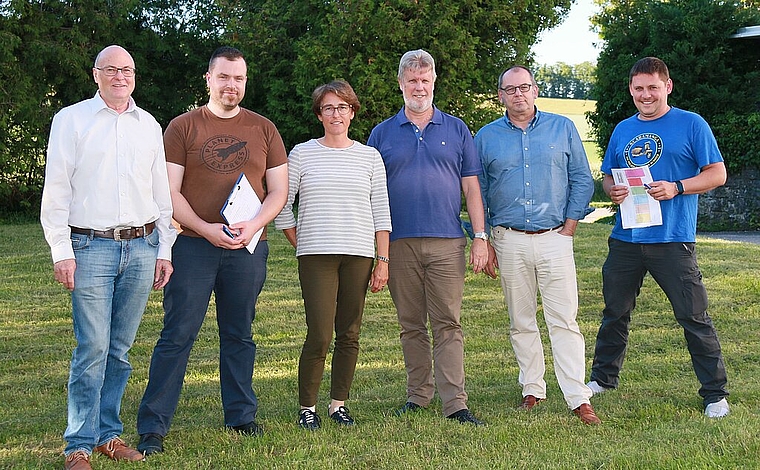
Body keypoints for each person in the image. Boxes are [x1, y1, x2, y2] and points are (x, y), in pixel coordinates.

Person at [135, 46, 288, 455]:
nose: (231, 85)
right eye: (224, 77)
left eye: (238, 78)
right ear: (209, 79)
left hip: (248, 247)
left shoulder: (264, 129)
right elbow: (168, 193)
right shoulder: (183, 127)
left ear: (245, 81)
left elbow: (279, 190)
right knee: (177, 334)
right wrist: (204, 228)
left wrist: (253, 225)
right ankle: (153, 426)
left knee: (239, 333)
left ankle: (241, 416)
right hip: (192, 247)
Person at [40, 45, 177, 470]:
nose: (121, 76)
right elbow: (57, 190)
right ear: (95, 74)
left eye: (128, 70)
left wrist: (165, 248)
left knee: (119, 349)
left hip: (142, 246)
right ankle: (77, 445)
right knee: (93, 345)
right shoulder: (71, 120)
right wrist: (61, 250)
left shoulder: (148, 125)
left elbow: (161, 194)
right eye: (112, 70)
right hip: (90, 247)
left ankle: (108, 435)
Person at [587, 57, 730, 418]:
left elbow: (717, 174)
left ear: (667, 86)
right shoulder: (623, 129)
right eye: (638, 88)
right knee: (614, 313)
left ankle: (715, 395)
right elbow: (608, 177)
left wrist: (678, 187)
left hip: (673, 240)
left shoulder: (691, 124)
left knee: (693, 316)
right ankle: (603, 379)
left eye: (652, 87)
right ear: (631, 90)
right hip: (626, 239)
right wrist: (613, 190)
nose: (645, 95)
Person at [367, 49, 488, 426]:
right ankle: (418, 396)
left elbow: (471, 188)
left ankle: (456, 404)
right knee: (411, 324)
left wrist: (480, 235)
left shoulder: (456, 129)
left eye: (425, 80)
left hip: (447, 241)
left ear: (434, 82)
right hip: (399, 242)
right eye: (411, 81)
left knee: (448, 322)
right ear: (401, 84)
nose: (419, 87)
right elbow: (370, 191)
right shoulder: (381, 134)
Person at [475, 65, 600, 425]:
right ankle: (533, 388)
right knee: (521, 320)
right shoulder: (486, 137)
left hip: (555, 237)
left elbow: (581, 178)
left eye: (524, 87)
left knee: (564, 319)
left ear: (535, 90)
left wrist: (571, 226)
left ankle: (578, 397)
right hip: (508, 238)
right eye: (510, 89)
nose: (518, 94)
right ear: (500, 95)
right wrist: (483, 237)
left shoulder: (562, 128)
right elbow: (477, 191)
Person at [274, 80, 392, 430]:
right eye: (328, 107)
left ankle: (338, 403)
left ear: (352, 112)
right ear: (319, 114)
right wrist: (304, 242)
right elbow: (282, 206)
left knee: (350, 333)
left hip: (358, 255)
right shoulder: (302, 153)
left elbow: (381, 211)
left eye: (342, 107)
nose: (336, 114)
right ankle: (306, 406)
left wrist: (382, 260)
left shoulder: (369, 156)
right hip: (316, 258)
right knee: (320, 333)